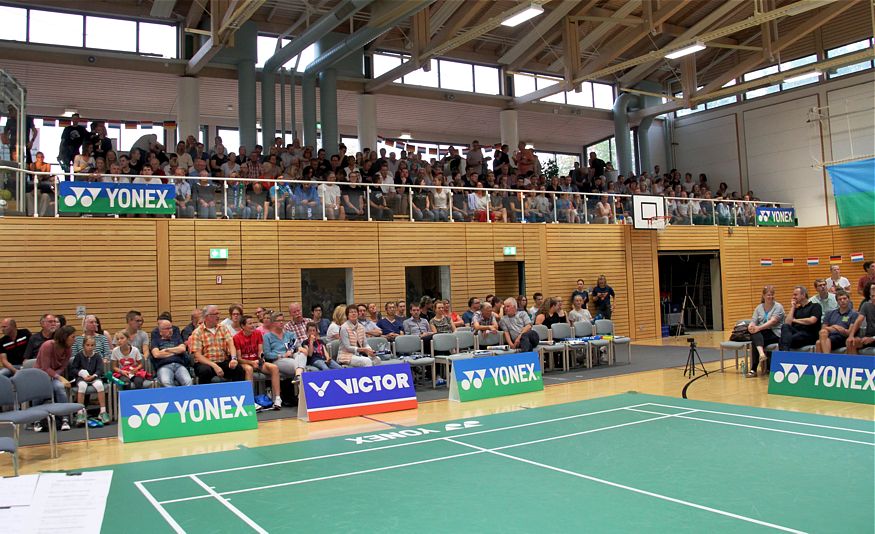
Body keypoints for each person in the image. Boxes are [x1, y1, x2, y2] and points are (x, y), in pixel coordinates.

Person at [234, 316, 282, 410]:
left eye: (253, 323)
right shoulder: (237, 337)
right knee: (249, 369)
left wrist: (261, 359)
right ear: (243, 326)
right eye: (250, 324)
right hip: (245, 362)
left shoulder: (258, 333)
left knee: (274, 367)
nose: (253, 325)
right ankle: (250, 401)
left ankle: (277, 398)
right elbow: (239, 359)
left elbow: (260, 351)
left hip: (256, 361)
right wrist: (251, 363)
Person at [34, 326, 77, 432]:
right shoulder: (48, 345)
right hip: (40, 375)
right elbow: (45, 367)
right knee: (38, 390)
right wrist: (60, 378)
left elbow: (62, 367)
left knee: (59, 388)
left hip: (54, 376)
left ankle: (64, 419)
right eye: (72, 337)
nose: (74, 339)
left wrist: (56, 377)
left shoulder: (68, 350)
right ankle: (36, 419)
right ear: (64, 337)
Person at [190, 305, 244, 384]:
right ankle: (206, 395)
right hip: (206, 363)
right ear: (207, 316)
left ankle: (238, 394)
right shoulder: (197, 332)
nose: (218, 316)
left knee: (238, 369)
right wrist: (214, 366)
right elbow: (198, 356)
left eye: (218, 313)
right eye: (215, 314)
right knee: (205, 371)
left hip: (222, 361)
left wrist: (233, 358)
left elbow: (231, 344)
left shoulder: (223, 328)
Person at [747, 285, 786, 377]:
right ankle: (761, 354)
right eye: (768, 295)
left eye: (772, 295)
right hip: (762, 333)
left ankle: (753, 369)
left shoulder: (778, 307)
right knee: (755, 336)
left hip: (775, 333)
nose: (770, 297)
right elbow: (754, 320)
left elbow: (773, 322)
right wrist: (751, 326)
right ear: (763, 296)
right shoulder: (759, 307)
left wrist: (758, 328)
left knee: (755, 338)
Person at [71, 335, 109, 426]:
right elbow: (74, 369)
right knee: (82, 386)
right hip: (82, 378)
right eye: (88, 345)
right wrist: (82, 373)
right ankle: (80, 413)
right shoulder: (79, 356)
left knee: (100, 385)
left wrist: (94, 375)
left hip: (94, 377)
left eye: (92, 345)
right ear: (84, 345)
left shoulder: (97, 356)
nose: (90, 347)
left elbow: (100, 369)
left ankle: (102, 412)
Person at [262, 312, 305, 381]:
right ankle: (299, 375)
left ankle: (298, 375)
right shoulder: (267, 337)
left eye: (283, 320)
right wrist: (282, 355)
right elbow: (267, 354)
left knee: (301, 355)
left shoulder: (290, 334)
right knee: (300, 366)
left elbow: (296, 345)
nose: (281, 322)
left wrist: (299, 349)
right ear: (273, 323)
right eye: (279, 321)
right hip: (278, 360)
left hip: (293, 357)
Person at [151, 319, 193, 387]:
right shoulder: (156, 341)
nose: (170, 330)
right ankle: (175, 397)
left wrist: (167, 350)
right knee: (166, 382)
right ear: (160, 331)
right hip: (164, 366)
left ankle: (186, 397)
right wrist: (176, 351)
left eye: (171, 328)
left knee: (188, 381)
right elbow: (156, 354)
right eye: (167, 328)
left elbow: (182, 349)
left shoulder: (177, 338)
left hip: (179, 365)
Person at [779, 286, 822, 351]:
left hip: (809, 334)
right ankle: (785, 354)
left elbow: (812, 320)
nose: (793, 297)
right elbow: (787, 322)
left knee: (783, 340)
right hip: (797, 333)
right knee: (785, 327)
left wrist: (794, 320)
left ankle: (784, 356)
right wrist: (793, 307)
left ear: (803, 295)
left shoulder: (815, 306)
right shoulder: (797, 309)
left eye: (795, 295)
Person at [848, 281, 875, 354]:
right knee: (851, 342)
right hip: (869, 336)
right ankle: (854, 364)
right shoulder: (866, 305)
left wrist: (872, 338)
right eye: (872, 296)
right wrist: (851, 335)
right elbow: (858, 321)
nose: (874, 298)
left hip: (872, 338)